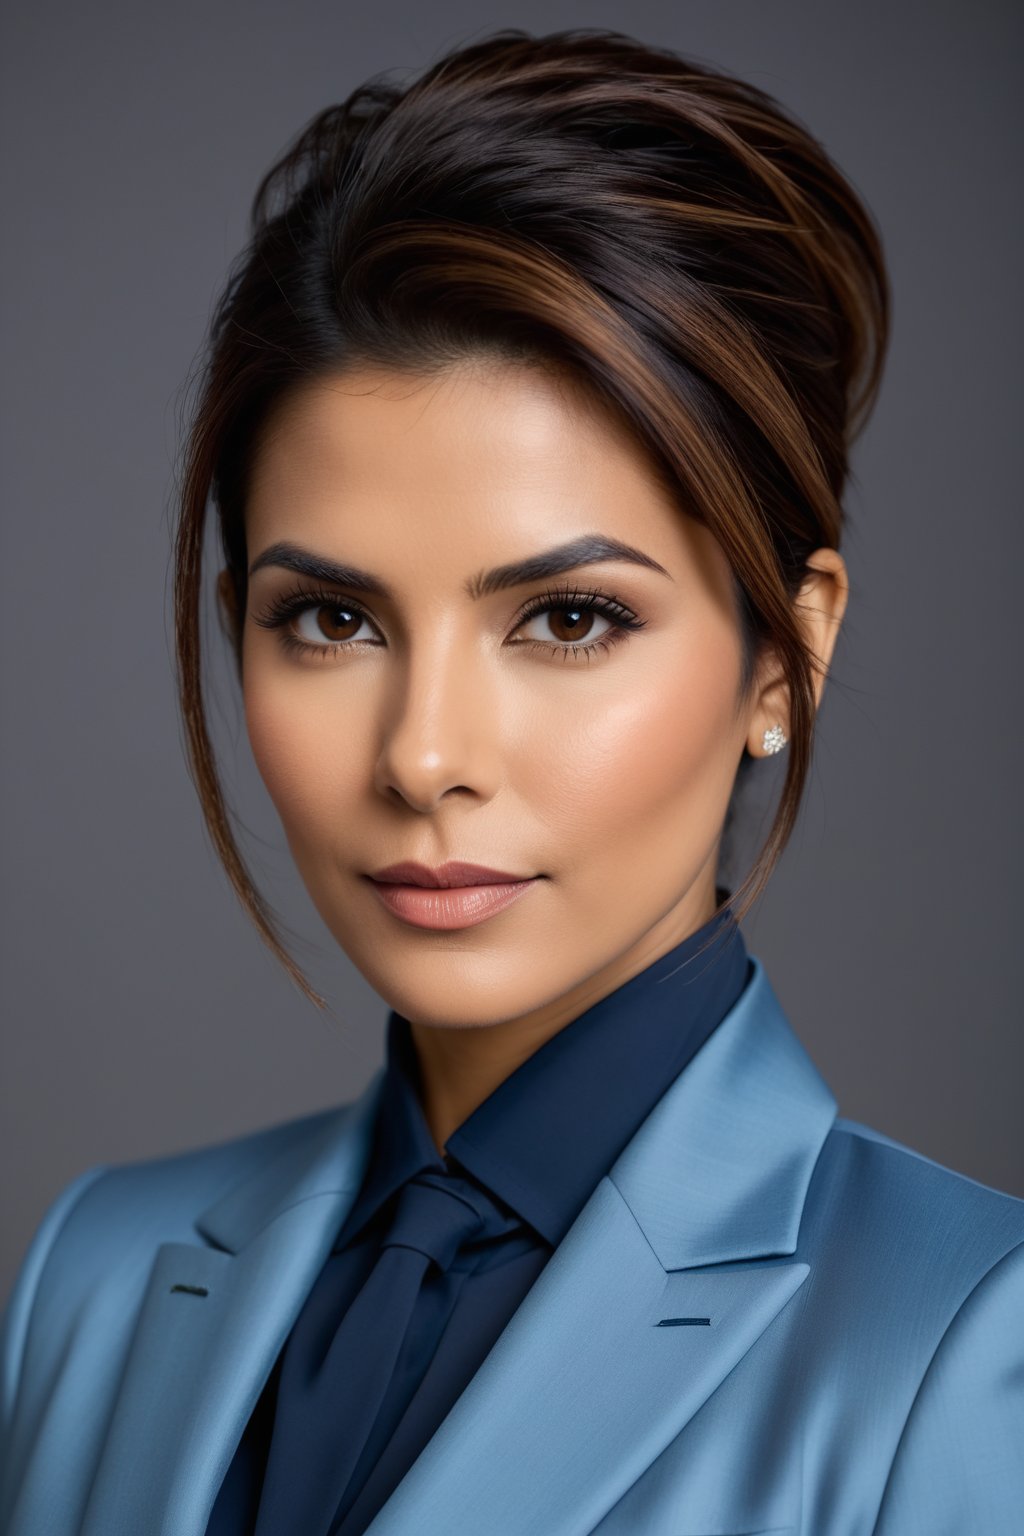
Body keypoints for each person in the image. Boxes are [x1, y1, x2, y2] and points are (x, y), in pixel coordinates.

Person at [1, 26, 1021, 1536]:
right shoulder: (92, 1274)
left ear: (779, 661)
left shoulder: (966, 1349)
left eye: (567, 619)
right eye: (331, 621)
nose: (423, 758)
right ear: (241, 634)